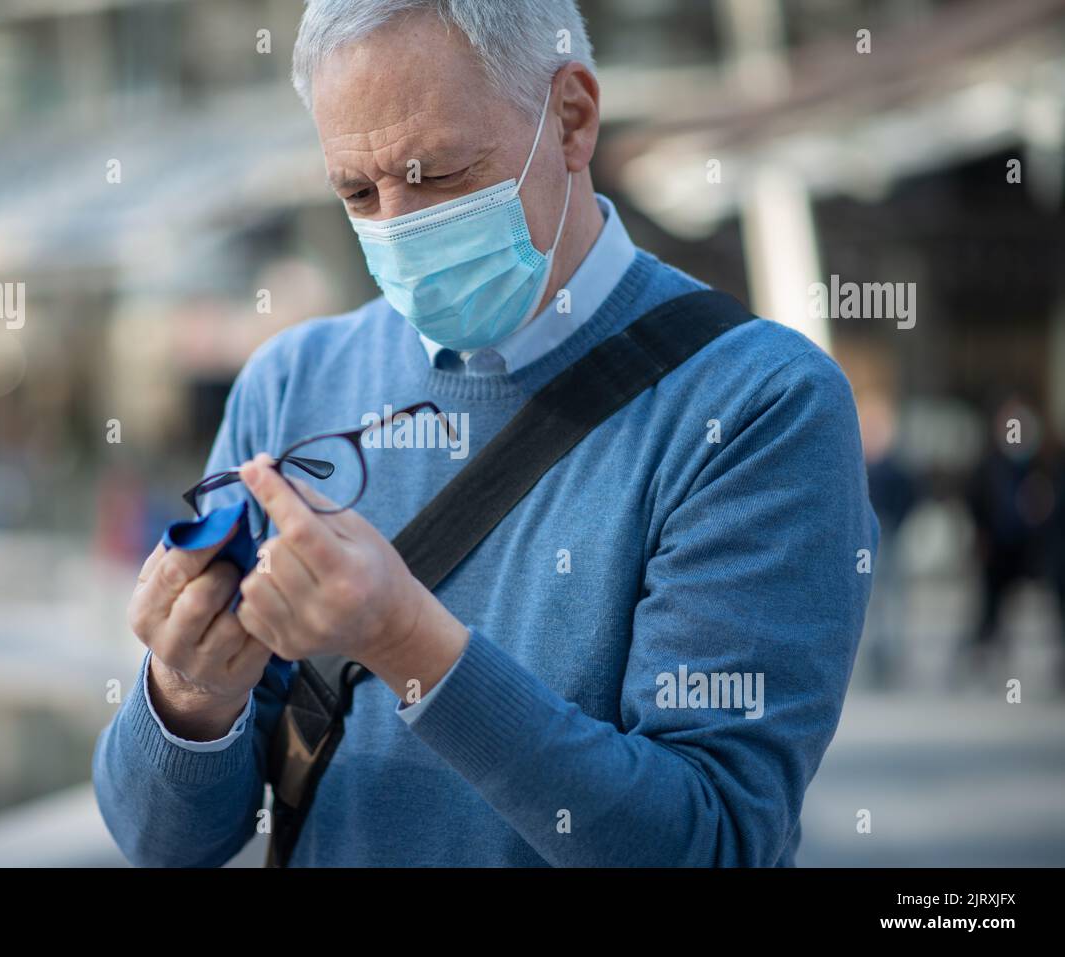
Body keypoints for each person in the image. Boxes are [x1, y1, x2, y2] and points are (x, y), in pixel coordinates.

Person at [92, 0, 878, 867]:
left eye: (437, 174)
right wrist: (189, 695)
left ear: (572, 119)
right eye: (358, 191)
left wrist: (404, 640)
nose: (397, 223)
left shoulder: (758, 402)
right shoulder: (291, 382)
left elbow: (716, 838)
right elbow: (160, 842)